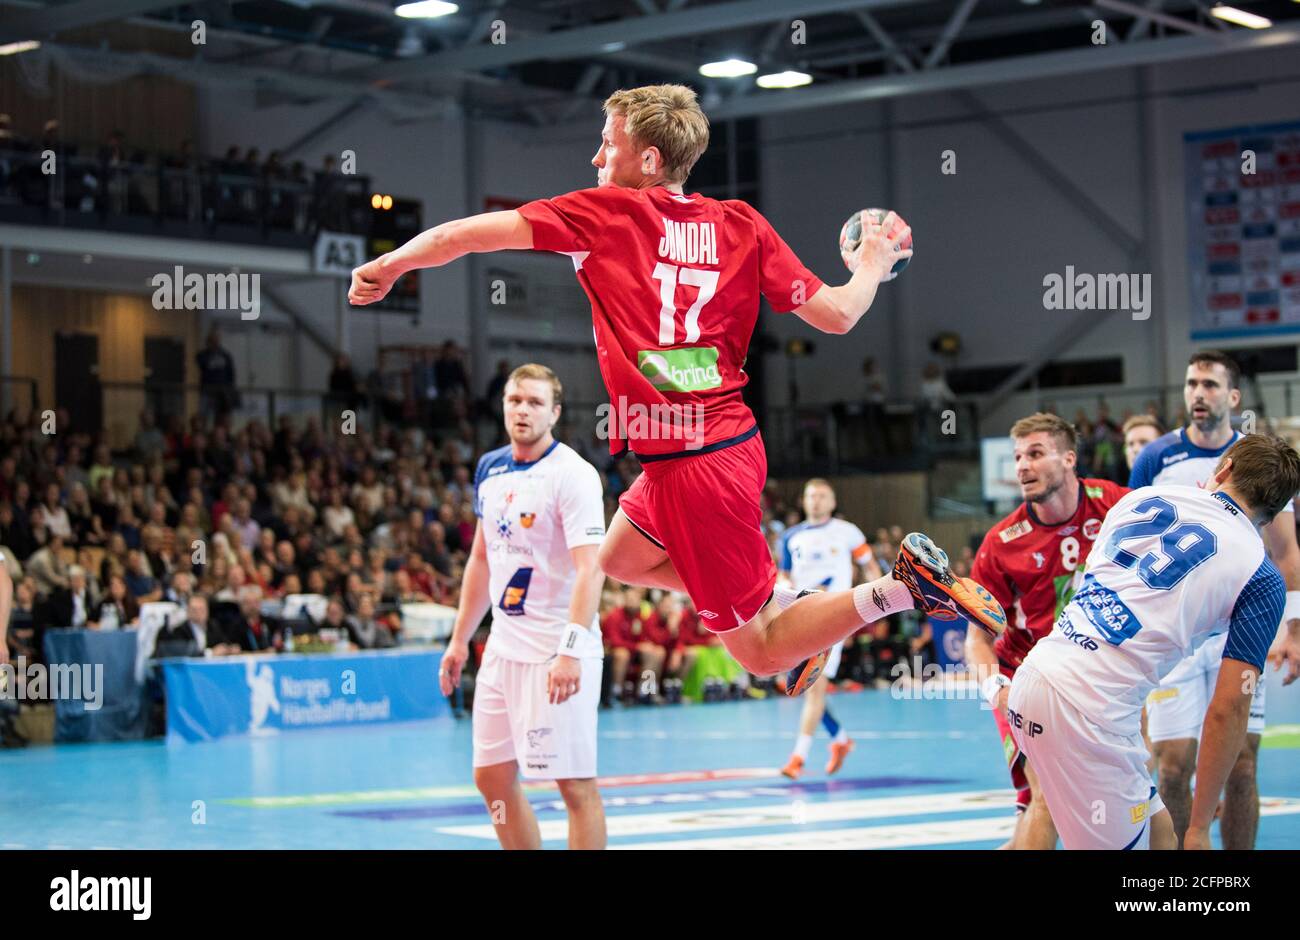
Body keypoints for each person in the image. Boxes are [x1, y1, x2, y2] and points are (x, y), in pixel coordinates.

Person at [350, 84, 1004, 697]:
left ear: (649, 158)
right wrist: (870, 266)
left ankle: (897, 589)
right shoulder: (741, 224)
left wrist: (389, 263)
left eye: (607, 144)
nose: (596, 156)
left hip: (701, 467)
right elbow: (837, 314)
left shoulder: (601, 214)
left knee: (761, 654)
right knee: (621, 559)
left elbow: (468, 234)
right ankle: (774, 601)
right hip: (693, 455)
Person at [1010, 434, 1300, 849]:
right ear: (1272, 516)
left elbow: (1097, 589)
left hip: (1038, 675)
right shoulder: (1260, 574)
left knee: (1159, 835)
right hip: (1088, 713)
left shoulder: (1138, 499)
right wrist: (1199, 827)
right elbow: (1229, 707)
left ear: (1224, 470)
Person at [1127, 350, 1300, 848]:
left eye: (1208, 384)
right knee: (1174, 765)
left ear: (1233, 396)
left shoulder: (1260, 459)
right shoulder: (1156, 457)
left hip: (1244, 622)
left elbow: (1286, 552)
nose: (1197, 393)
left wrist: (1291, 628)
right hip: (1175, 629)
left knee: (1242, 764)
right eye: (1190, 383)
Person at [438, 365, 609, 850]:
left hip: (556, 650)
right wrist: (459, 641)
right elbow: (480, 559)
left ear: (554, 413)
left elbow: (590, 568)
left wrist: (571, 650)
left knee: (574, 786)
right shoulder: (490, 468)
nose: (522, 410)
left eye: (534, 403)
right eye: (515, 400)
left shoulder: (573, 474)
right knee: (491, 778)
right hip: (502, 651)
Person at [968, 413, 1128, 849]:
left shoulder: (1115, 504)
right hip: (1026, 680)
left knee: (1052, 806)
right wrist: (995, 689)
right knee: (1047, 799)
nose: (1022, 465)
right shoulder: (1003, 542)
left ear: (1070, 459)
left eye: (1035, 454)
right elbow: (976, 639)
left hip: (1096, 682)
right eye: (1018, 456)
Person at [776, 478, 882, 779]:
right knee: (806, 687)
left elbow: (871, 568)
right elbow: (784, 575)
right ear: (803, 501)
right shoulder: (790, 537)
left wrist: (876, 603)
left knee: (812, 689)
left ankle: (797, 758)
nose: (816, 501)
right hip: (798, 618)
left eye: (822, 496)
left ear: (833, 503)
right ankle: (840, 740)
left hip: (833, 619)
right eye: (811, 496)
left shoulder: (847, 532)